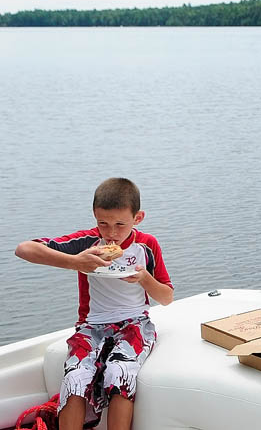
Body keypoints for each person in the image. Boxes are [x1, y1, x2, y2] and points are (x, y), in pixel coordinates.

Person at [15, 177, 173, 430]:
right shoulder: (89, 242)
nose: (111, 234)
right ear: (94, 217)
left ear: (138, 217)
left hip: (135, 323)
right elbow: (24, 249)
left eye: (120, 225)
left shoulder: (147, 245)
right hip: (92, 325)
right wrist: (76, 262)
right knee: (75, 376)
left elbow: (166, 297)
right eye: (103, 224)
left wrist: (145, 279)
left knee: (119, 372)